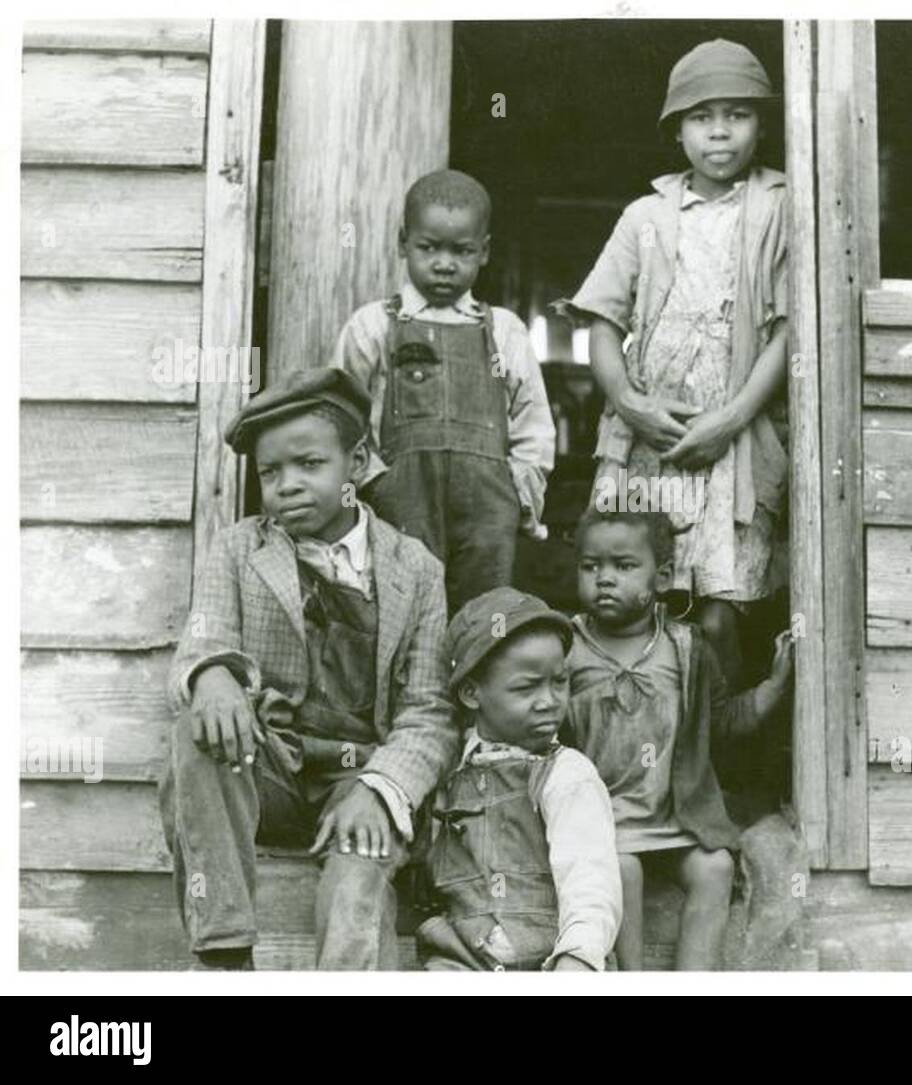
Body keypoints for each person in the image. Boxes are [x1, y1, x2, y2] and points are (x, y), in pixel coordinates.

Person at [160, 367, 459, 970]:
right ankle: (225, 952)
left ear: (356, 463)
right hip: (270, 767)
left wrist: (382, 789)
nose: (286, 486)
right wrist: (213, 675)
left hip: (358, 775)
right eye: (270, 473)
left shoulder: (415, 569)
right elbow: (203, 638)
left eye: (309, 465)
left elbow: (430, 710)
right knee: (194, 736)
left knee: (360, 868)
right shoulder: (242, 548)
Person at [557, 39, 790, 690]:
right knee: (631, 595)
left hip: (733, 444)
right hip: (646, 442)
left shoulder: (779, 208)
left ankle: (709, 767)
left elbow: (789, 333)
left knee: (719, 611)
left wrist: (731, 420)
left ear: (762, 124)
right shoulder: (646, 217)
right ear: (677, 131)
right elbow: (602, 323)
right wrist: (633, 406)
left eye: (737, 114)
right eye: (701, 117)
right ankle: (627, 753)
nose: (720, 131)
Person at [561, 508, 793, 969]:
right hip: (602, 824)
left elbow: (723, 722)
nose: (604, 579)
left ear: (663, 575)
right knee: (620, 870)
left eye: (624, 567)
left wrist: (773, 687)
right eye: (591, 567)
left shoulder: (685, 648)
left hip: (675, 820)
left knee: (717, 867)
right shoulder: (567, 646)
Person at [332, 168, 555, 615]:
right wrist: (374, 481)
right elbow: (340, 415)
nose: (444, 264)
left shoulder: (505, 331)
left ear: (484, 251)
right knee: (402, 609)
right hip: (401, 501)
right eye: (429, 248)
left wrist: (517, 493)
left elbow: (533, 422)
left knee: (484, 614)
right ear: (402, 244)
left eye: (462, 251)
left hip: (488, 508)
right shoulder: (374, 325)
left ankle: (473, 686)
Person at [418, 587, 621, 971]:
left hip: (552, 959)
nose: (548, 700)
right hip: (465, 957)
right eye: (526, 687)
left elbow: (590, 878)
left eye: (559, 682)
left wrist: (577, 956)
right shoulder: (450, 773)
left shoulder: (566, 774)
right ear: (471, 693)